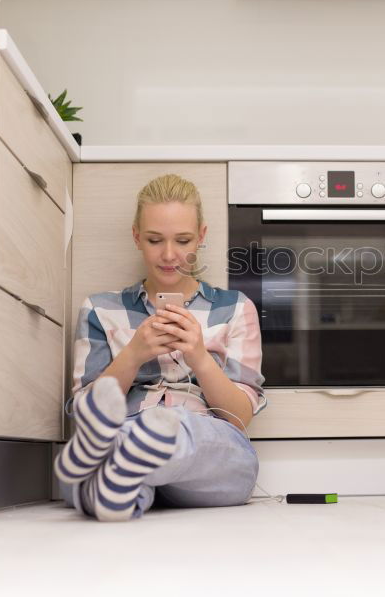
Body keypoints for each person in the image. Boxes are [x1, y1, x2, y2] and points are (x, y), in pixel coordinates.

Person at [55, 174, 267, 522]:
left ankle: (127, 451)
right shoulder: (99, 309)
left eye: (183, 240)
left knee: (197, 442)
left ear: (201, 236)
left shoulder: (235, 307)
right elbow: (85, 411)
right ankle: (125, 466)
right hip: (127, 426)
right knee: (105, 467)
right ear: (137, 236)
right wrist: (134, 354)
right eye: (155, 240)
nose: (169, 255)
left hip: (208, 451)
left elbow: (239, 417)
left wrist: (200, 357)